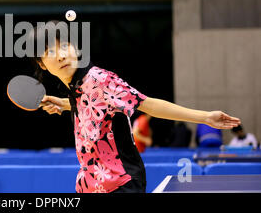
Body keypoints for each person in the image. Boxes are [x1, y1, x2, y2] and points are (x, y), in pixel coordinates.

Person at [29, 21, 240, 193]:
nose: (61, 55)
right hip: (90, 186)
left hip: (120, 184)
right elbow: (95, 107)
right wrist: (66, 105)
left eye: (64, 46)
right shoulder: (75, 88)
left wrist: (205, 117)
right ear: (41, 64)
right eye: (49, 51)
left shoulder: (100, 80)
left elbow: (148, 105)